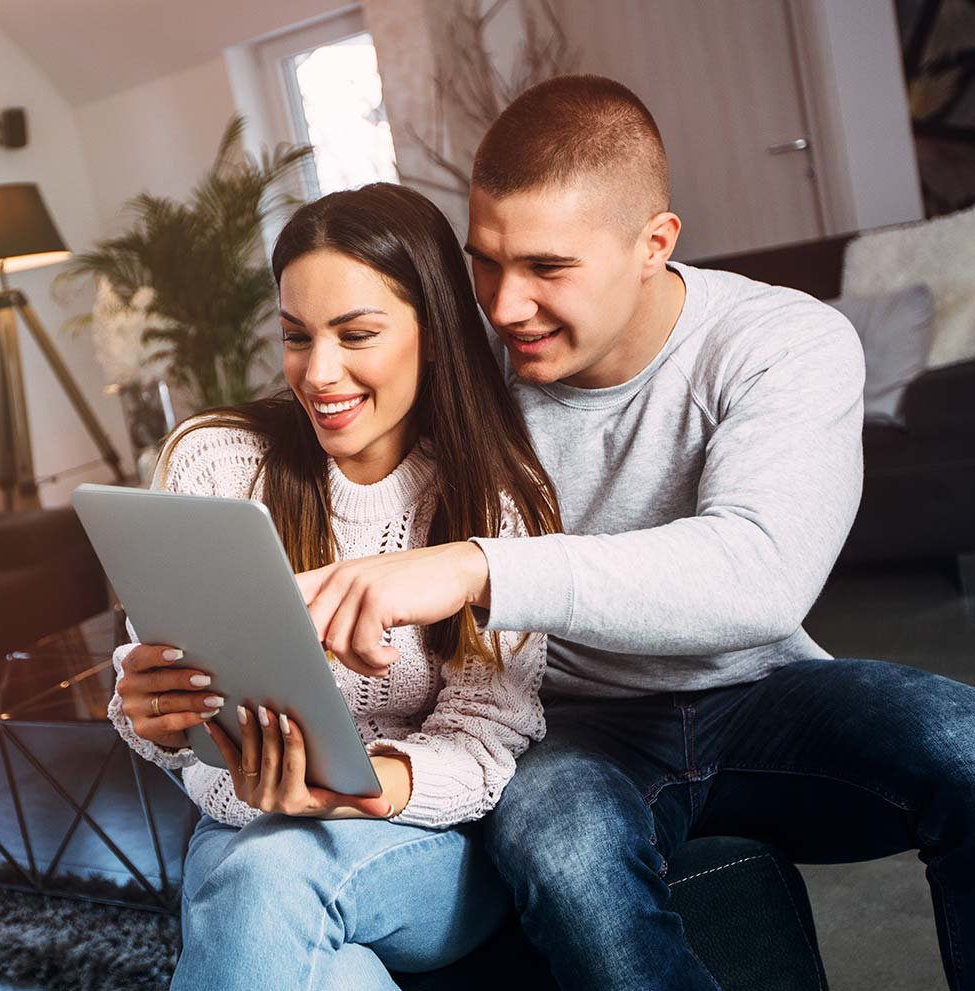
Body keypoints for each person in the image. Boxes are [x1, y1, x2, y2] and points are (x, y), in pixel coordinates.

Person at [295, 74, 975, 989]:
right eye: (486, 261)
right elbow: (332, 412)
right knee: (567, 853)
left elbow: (758, 574)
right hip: (571, 727)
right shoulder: (469, 371)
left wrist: (478, 567)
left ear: (655, 244)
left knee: (965, 745)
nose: (502, 305)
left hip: (759, 689)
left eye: (547, 268)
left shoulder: (783, 341)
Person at [106, 182, 562, 991]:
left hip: (428, 845)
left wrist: (344, 792)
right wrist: (153, 714)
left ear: (436, 332)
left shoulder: (495, 495)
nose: (318, 373)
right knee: (327, 967)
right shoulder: (215, 462)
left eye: (356, 334)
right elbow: (176, 703)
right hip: (245, 826)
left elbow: (489, 742)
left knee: (266, 877)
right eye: (295, 336)